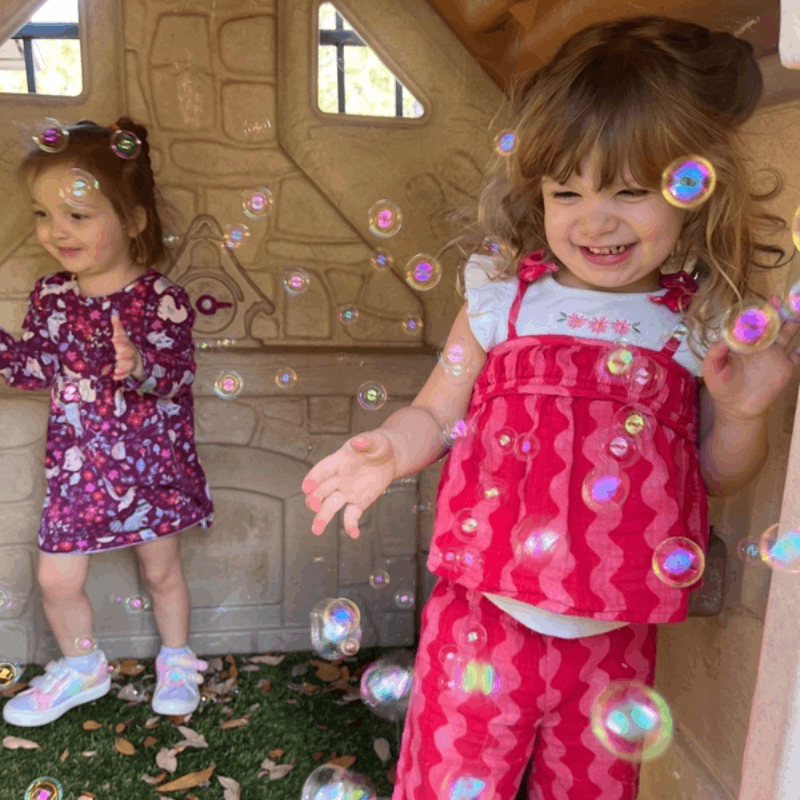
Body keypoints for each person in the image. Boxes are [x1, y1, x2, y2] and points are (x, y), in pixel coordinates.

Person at [301, 15, 798, 800]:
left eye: (630, 190)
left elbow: (716, 476)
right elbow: (436, 413)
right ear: (537, 191)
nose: (595, 221)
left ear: (695, 189)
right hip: (481, 621)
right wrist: (392, 450)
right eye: (568, 191)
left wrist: (743, 414)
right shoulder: (502, 302)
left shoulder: (693, 326)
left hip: (614, 639)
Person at [0, 118, 213, 727]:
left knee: (161, 571)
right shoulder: (50, 296)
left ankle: (177, 658)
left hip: (151, 468)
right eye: (43, 215)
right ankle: (82, 667)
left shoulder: (161, 299)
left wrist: (140, 363)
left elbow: (178, 373)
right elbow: (34, 368)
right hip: (78, 471)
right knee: (55, 579)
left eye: (77, 215)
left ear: (134, 219)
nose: (56, 230)